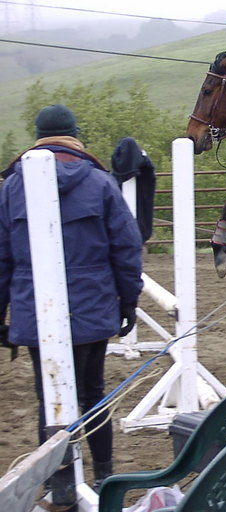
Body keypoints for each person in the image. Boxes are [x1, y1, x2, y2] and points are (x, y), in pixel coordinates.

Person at [0, 104, 144, 492]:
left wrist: (1, 315)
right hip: (92, 304)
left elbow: (2, 257)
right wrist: (128, 300)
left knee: (49, 397)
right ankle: (104, 475)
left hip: (34, 309)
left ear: (37, 137)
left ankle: (60, 484)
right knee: (93, 392)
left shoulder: (11, 188)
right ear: (74, 135)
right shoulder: (100, 183)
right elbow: (126, 247)